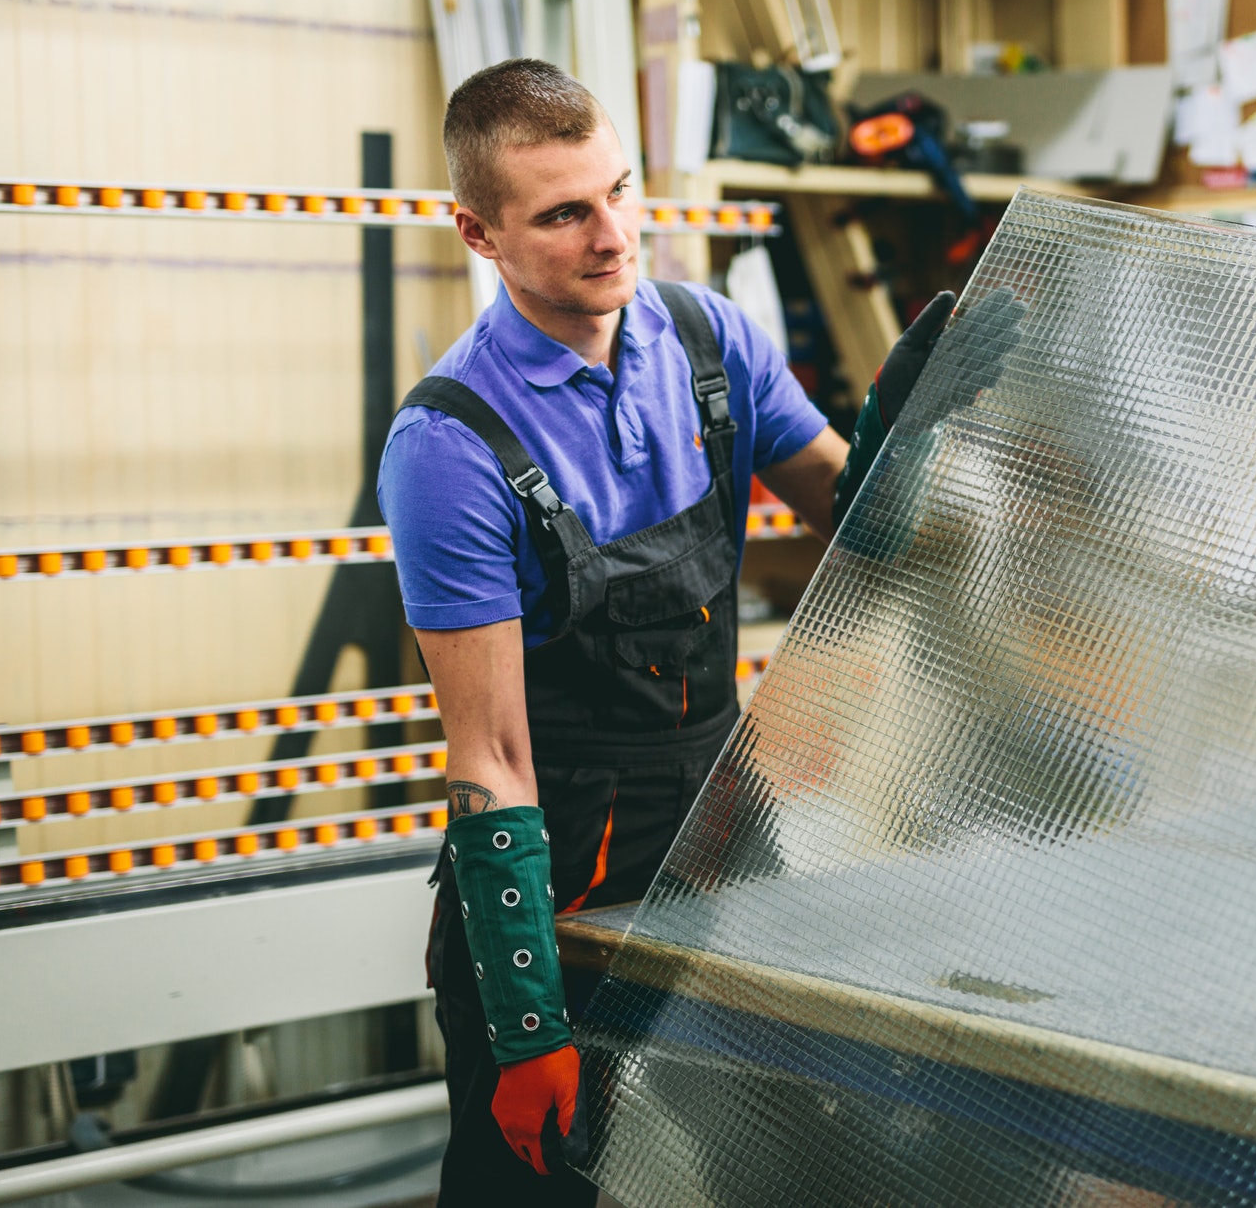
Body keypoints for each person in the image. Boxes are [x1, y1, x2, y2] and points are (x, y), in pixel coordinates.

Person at [378, 58, 958, 1205]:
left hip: (721, 843)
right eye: (562, 214)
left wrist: (905, 426)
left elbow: (864, 530)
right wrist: (528, 1013)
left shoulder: (709, 341)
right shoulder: (447, 445)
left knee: (801, 1160)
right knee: (528, 1192)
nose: (611, 237)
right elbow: (490, 761)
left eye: (619, 192)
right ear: (478, 233)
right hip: (561, 886)